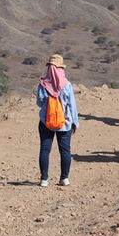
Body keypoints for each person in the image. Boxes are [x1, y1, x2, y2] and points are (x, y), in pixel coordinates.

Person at [35, 54, 79, 187]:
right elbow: (72, 105)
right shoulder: (67, 85)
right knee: (65, 150)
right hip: (64, 123)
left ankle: (44, 179)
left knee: (44, 149)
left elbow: (39, 103)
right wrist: (75, 122)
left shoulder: (43, 84)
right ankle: (64, 178)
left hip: (46, 122)